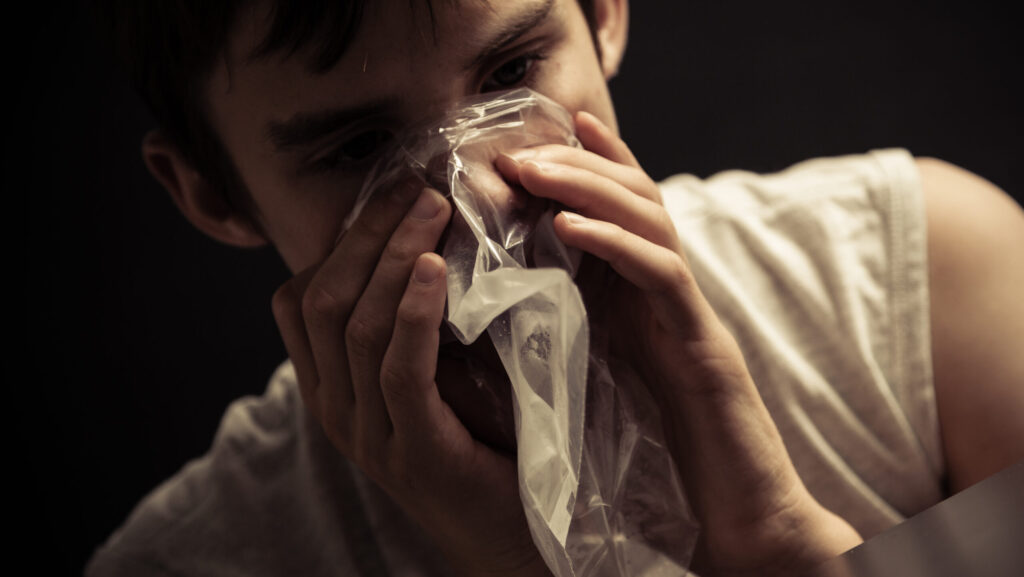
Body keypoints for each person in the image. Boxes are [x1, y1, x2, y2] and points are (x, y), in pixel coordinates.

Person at [88, 1, 1024, 575]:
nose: (482, 190)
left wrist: (780, 539)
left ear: (603, 11)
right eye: (357, 150)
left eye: (510, 73)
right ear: (213, 193)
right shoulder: (195, 558)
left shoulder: (929, 284)